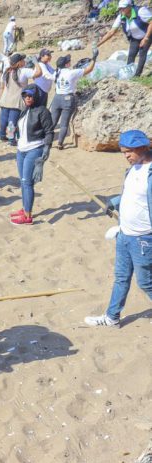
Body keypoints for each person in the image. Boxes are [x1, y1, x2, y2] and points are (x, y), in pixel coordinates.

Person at [85, 130, 152, 327]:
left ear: (142, 148)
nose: (126, 156)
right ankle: (112, 317)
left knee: (145, 282)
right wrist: (113, 202)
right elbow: (130, 195)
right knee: (121, 278)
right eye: (123, 152)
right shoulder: (132, 169)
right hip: (124, 234)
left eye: (129, 152)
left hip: (143, 239)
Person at [10, 85, 55, 225]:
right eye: (25, 96)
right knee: (23, 181)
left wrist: (45, 153)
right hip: (21, 150)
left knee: (27, 183)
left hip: (34, 149)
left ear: (36, 96)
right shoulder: (24, 111)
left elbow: (49, 132)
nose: (27, 98)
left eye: (30, 96)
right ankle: (24, 209)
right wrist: (12, 131)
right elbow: (19, 130)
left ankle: (28, 216)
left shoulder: (42, 111)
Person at [50, 52, 97, 150]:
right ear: (66, 64)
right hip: (67, 99)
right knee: (64, 124)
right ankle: (60, 143)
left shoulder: (56, 73)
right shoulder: (71, 72)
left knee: (52, 123)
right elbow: (89, 69)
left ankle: (47, 142)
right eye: (69, 61)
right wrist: (94, 58)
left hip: (57, 98)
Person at [0, 52, 43, 146]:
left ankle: (2, 135)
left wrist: (0, 98)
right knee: (12, 121)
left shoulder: (7, 71)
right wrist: (36, 62)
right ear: (19, 62)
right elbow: (39, 73)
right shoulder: (23, 71)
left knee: (3, 119)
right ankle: (12, 139)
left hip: (5, 99)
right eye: (22, 60)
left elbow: (2, 87)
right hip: (16, 100)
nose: (24, 61)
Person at [96, 0, 152, 78]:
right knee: (131, 55)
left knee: (142, 52)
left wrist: (146, 38)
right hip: (135, 37)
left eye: (123, 8)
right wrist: (98, 44)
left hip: (148, 34)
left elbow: (151, 22)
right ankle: (129, 74)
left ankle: (137, 75)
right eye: (120, 8)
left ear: (130, 6)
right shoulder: (121, 17)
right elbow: (111, 32)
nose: (121, 10)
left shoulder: (140, 11)